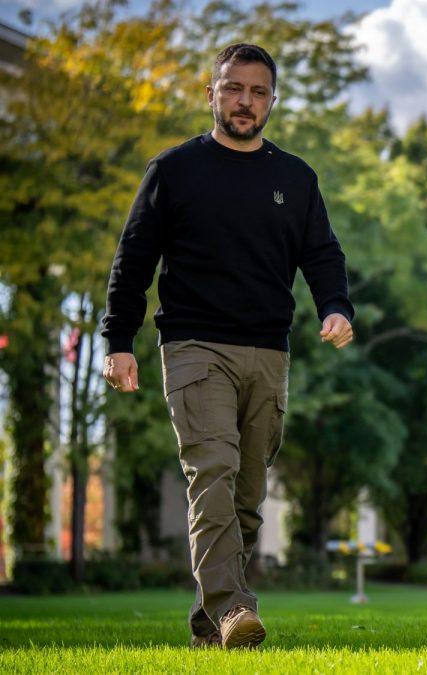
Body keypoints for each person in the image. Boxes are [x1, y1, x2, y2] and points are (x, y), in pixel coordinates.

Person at [101, 43, 354, 649]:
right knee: (211, 473)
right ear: (211, 93)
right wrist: (118, 338)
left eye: (258, 92)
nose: (246, 102)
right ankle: (237, 608)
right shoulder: (174, 170)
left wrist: (336, 306)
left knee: (245, 497)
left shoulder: (295, 178)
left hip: (268, 350)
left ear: (272, 100)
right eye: (234, 89)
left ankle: (209, 625)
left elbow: (321, 253)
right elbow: (133, 259)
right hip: (193, 345)